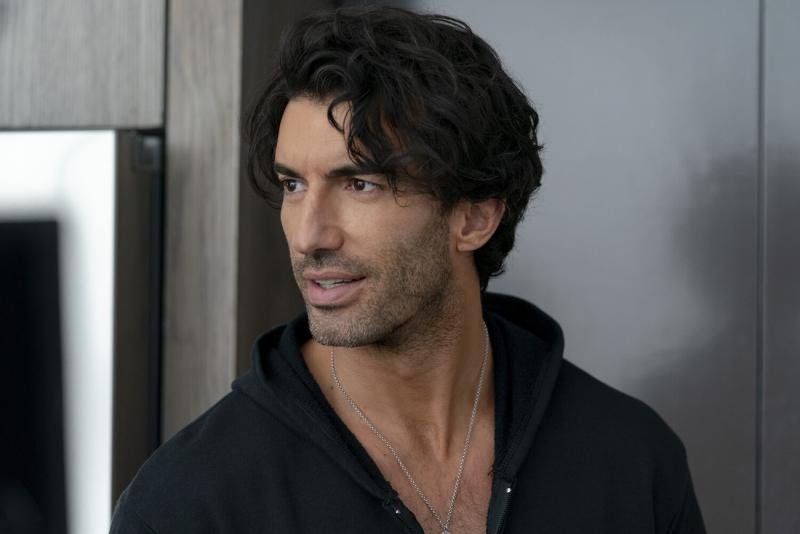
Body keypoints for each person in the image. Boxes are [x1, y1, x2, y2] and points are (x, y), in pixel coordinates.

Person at [111, 5, 706, 533]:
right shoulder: (188, 503)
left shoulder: (630, 457)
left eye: (361, 184)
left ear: (474, 217)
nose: (310, 236)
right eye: (293, 185)